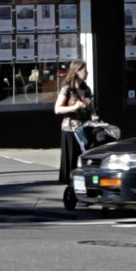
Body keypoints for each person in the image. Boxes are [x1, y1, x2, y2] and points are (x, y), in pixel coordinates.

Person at [54, 60, 94, 209]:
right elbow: (57, 109)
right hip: (71, 129)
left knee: (86, 160)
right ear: (77, 71)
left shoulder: (87, 89)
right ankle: (73, 191)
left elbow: (92, 108)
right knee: (72, 162)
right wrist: (74, 106)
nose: (87, 72)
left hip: (85, 129)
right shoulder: (67, 89)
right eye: (85, 70)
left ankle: (86, 191)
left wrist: (94, 115)